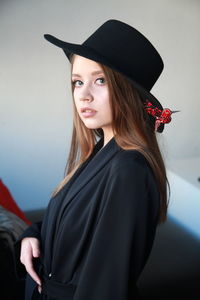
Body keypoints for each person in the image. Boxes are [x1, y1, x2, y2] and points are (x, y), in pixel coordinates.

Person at [15, 19, 176, 300]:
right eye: (78, 82)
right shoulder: (100, 151)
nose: (84, 95)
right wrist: (33, 234)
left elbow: (105, 288)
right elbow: (72, 223)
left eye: (100, 80)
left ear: (128, 91)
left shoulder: (129, 170)